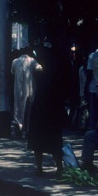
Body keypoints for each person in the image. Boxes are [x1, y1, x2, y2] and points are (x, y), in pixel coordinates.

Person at [27, 43, 67, 176]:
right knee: (54, 139)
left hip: (41, 108)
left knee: (39, 139)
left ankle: (40, 167)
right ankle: (59, 168)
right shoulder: (57, 72)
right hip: (52, 109)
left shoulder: (40, 71)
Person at [11, 48, 37, 138]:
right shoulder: (32, 60)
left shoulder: (15, 61)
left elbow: (12, 72)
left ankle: (18, 129)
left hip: (17, 90)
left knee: (17, 109)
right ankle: (27, 130)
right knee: (28, 109)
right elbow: (39, 69)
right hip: (30, 90)